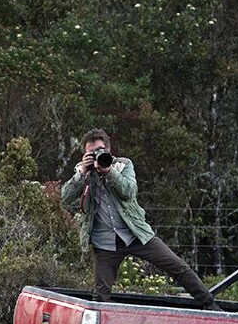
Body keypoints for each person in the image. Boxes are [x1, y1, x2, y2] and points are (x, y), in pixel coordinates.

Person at [60, 129, 220, 311]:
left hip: (135, 233)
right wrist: (82, 173)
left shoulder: (123, 165)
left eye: (100, 150)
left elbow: (130, 192)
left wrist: (109, 172)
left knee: (178, 266)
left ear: (109, 150)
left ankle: (211, 306)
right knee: (101, 295)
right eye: (92, 152)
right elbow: (65, 198)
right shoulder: (82, 171)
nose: (97, 155)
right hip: (105, 243)